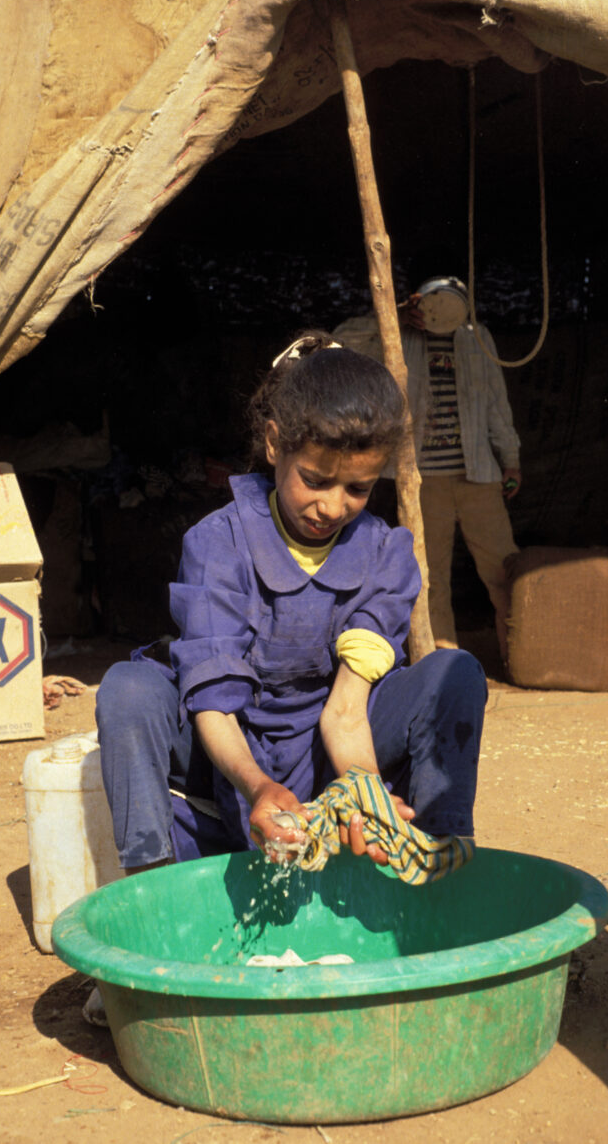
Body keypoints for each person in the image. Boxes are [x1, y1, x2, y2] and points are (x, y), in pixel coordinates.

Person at [95, 333, 487, 877]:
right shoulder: (217, 543)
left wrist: (363, 790)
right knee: (128, 687)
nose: (332, 506)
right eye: (315, 480)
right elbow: (213, 705)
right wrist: (257, 786)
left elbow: (347, 711)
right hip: (226, 761)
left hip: (330, 752)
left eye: (357, 489)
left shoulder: (386, 553)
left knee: (456, 672)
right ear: (276, 445)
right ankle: (153, 881)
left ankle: (436, 862)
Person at [335, 276, 521, 663]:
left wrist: (511, 460)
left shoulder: (478, 336)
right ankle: (442, 665)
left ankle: (519, 655)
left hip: (479, 475)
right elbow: (341, 342)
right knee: (429, 576)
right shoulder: (398, 334)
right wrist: (395, 316)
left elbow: (496, 404)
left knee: (504, 569)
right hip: (422, 480)